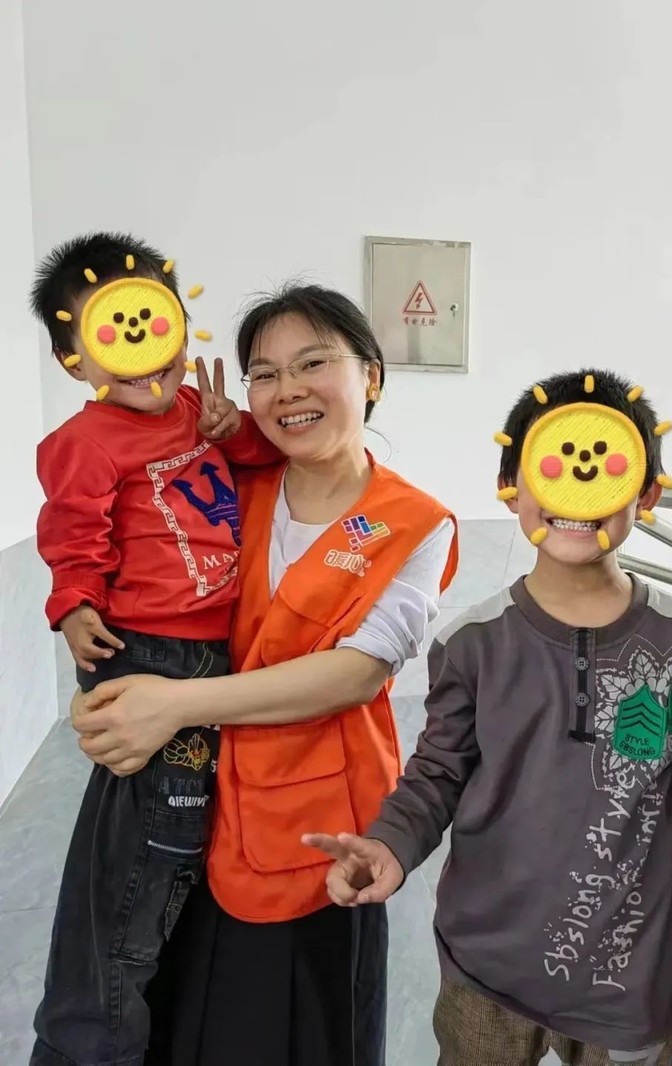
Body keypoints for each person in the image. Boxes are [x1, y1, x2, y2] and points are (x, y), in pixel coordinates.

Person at [305, 369, 672, 1066]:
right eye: (554, 461)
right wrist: (391, 842)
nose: (577, 485)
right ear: (510, 485)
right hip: (486, 971)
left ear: (646, 493)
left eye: (604, 463)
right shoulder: (472, 643)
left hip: (629, 984)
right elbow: (439, 773)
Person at [71, 283, 459, 1066]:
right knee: (179, 1014)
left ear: (370, 376)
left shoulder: (416, 521)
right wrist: (108, 688)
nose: (288, 391)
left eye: (313, 364)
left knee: (305, 1027)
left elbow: (356, 672)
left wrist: (172, 704)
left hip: (320, 823)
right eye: (266, 373)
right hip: (192, 801)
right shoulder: (221, 485)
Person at [30, 231, 280, 1066]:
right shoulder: (84, 441)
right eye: (114, 330)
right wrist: (72, 605)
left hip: (215, 651)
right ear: (75, 360)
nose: (143, 348)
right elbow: (73, 535)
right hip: (150, 650)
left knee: (194, 826)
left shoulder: (196, 411)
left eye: (154, 320)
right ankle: (100, 1031)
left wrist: (233, 428)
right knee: (159, 837)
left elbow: (259, 460)